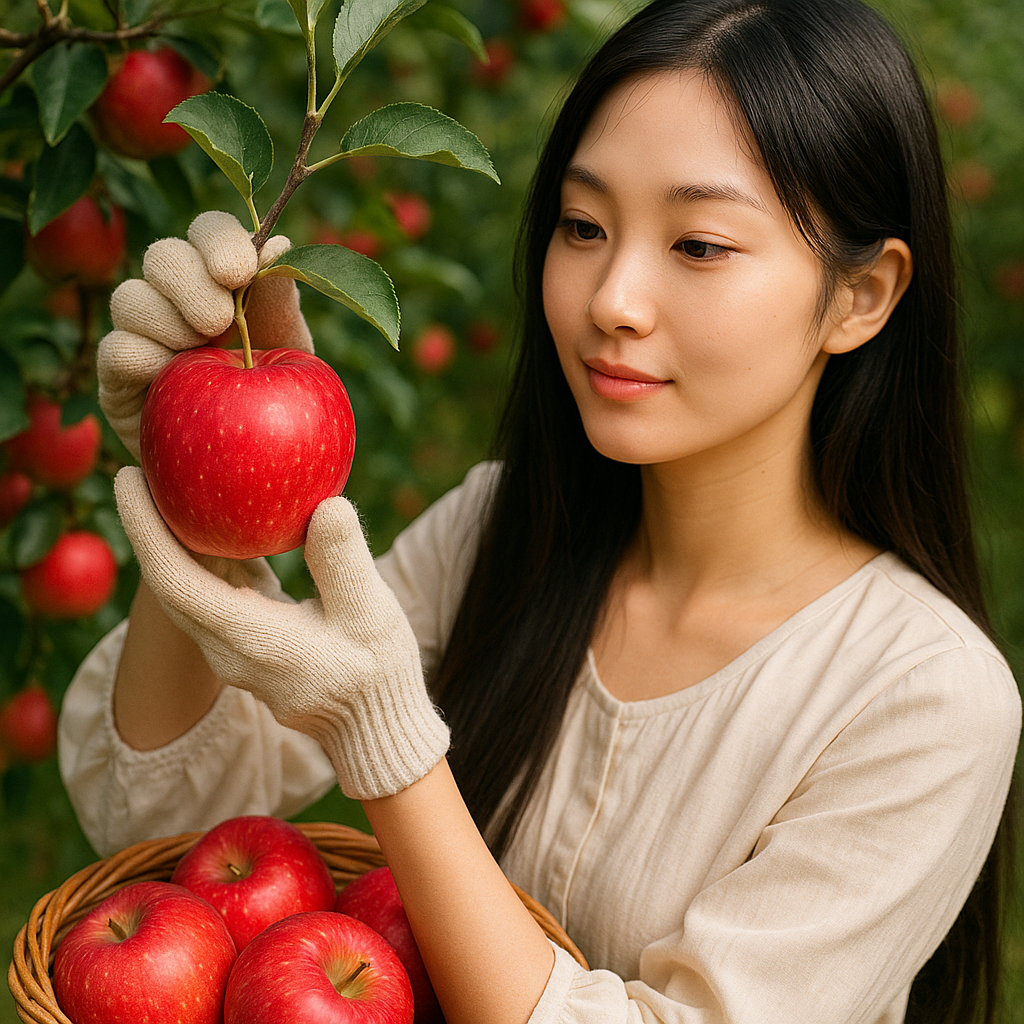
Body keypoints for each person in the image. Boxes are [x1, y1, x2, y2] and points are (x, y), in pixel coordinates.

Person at [58, 0, 1021, 1022]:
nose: (612, 297)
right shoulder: (504, 525)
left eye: (697, 244)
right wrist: (205, 485)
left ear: (860, 295)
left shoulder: (922, 699)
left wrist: (384, 740)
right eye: (583, 226)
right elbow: (151, 823)